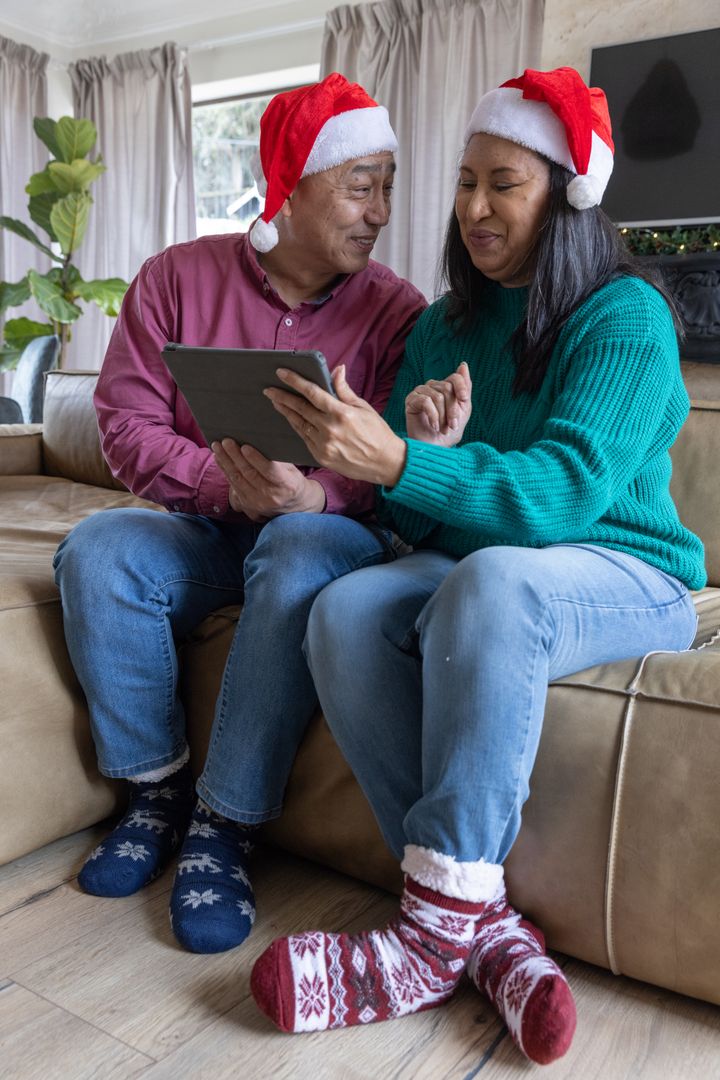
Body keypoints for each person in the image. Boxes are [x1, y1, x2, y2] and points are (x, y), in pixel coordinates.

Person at [247, 67, 706, 1064]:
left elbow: (560, 496)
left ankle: (424, 939)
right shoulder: (444, 328)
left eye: (505, 182)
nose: (475, 206)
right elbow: (422, 517)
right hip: (492, 566)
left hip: (626, 573)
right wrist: (426, 455)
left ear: (567, 196)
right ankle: (476, 921)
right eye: (464, 181)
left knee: (493, 581)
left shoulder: (624, 318)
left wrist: (406, 459)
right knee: (347, 605)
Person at [53, 72, 425, 955]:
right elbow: (126, 425)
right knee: (98, 550)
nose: (378, 211)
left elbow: (409, 465)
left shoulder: (400, 311)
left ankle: (224, 824)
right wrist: (226, 487)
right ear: (293, 186)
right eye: (359, 184)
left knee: (296, 546)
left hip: (323, 536)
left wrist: (315, 495)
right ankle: (156, 792)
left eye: (388, 187)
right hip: (208, 528)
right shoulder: (174, 278)